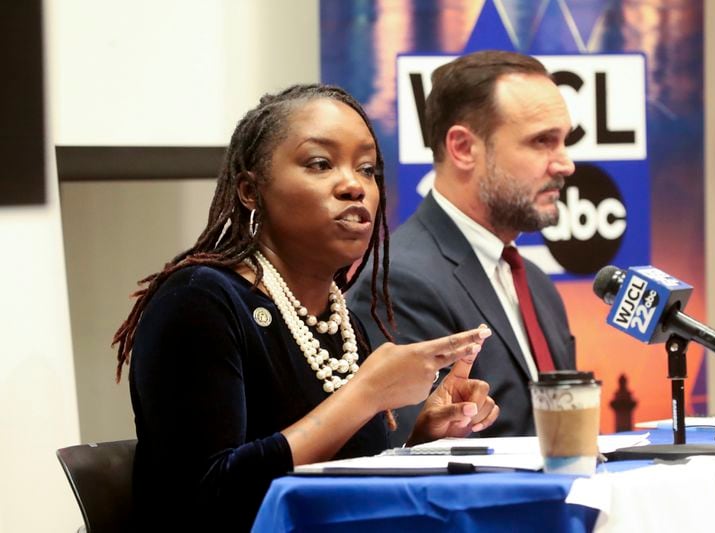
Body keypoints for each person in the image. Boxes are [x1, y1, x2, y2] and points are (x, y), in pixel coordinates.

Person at [112, 84, 499, 532]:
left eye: (368, 169)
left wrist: (421, 441)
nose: (355, 186)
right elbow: (206, 499)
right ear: (250, 191)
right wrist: (366, 394)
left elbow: (338, 488)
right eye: (320, 163)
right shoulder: (199, 300)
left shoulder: (340, 322)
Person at [349, 50, 576, 445]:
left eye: (563, 142)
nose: (565, 164)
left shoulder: (536, 284)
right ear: (463, 148)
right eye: (542, 142)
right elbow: (412, 459)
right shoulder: (399, 282)